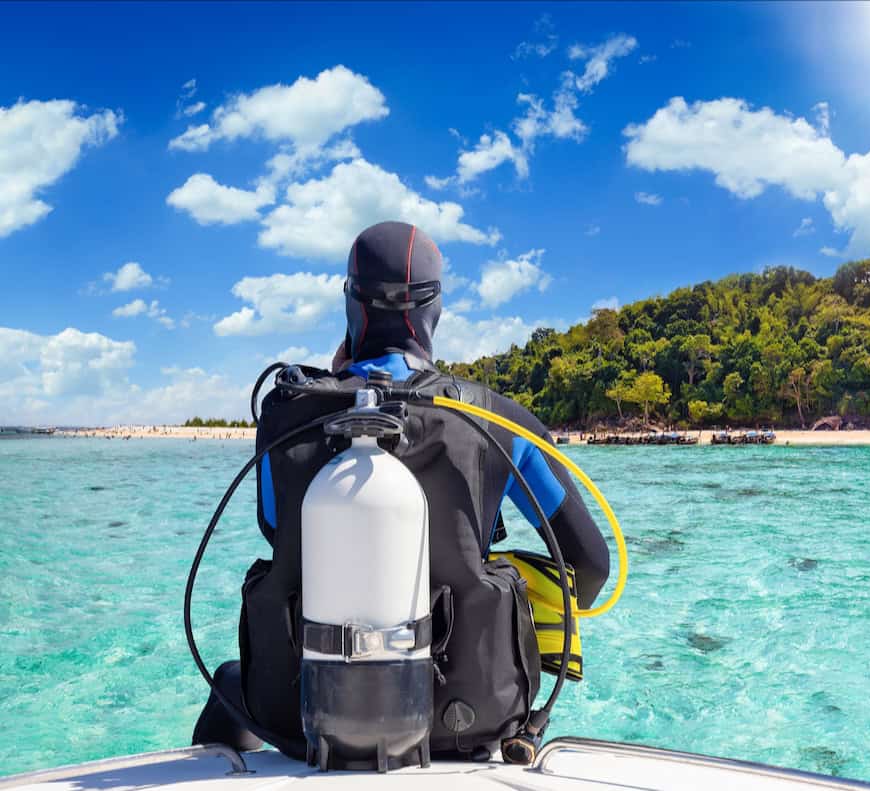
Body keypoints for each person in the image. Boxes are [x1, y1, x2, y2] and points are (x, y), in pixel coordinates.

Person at [193, 220, 610, 761]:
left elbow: (279, 530)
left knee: (230, 679)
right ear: (433, 310)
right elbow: (591, 564)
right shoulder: (499, 422)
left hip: (300, 716)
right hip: (470, 717)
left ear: (351, 303)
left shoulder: (284, 418)